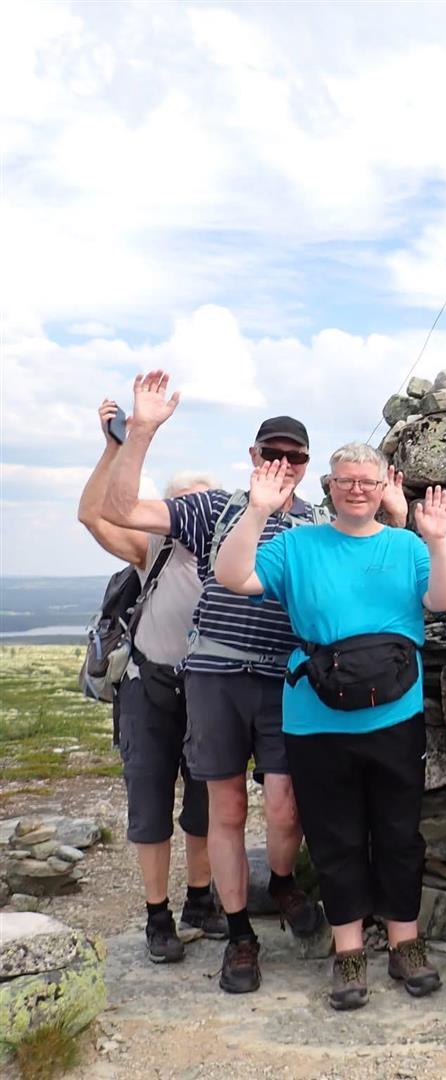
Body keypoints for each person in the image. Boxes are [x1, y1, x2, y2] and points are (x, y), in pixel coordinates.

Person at [102, 370, 406, 994]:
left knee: (287, 805)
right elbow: (121, 510)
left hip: (285, 680)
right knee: (229, 806)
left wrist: (398, 518)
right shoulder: (213, 508)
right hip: (216, 674)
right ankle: (240, 935)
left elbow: (377, 570)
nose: (283, 464)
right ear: (253, 454)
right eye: (272, 453)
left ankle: (285, 883)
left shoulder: (318, 525)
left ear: (309, 466)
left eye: (296, 457)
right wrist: (141, 433)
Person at [213, 442, 446, 1010]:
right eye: (345, 480)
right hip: (315, 719)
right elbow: (233, 577)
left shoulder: (406, 545)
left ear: (381, 487)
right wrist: (257, 510)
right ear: (329, 486)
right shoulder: (296, 545)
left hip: (395, 716)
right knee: (334, 835)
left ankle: (405, 943)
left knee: (399, 833)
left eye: (366, 481)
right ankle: (348, 952)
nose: (356, 490)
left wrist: (438, 539)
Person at [77, 398, 225, 962]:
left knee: (206, 801)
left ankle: (199, 901)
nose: (191, 511)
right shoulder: (151, 547)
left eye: (203, 501)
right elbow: (92, 515)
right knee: (150, 800)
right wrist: (113, 448)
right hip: (150, 688)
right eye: (181, 501)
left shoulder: (231, 552)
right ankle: (157, 915)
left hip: (208, 690)